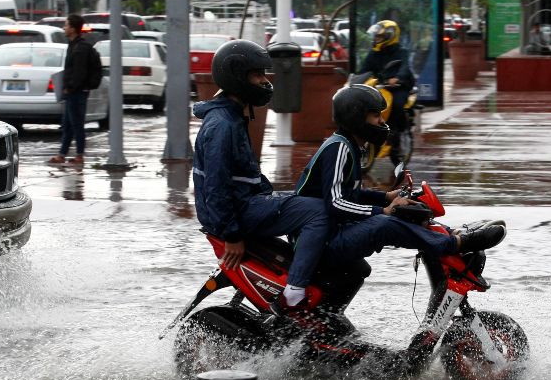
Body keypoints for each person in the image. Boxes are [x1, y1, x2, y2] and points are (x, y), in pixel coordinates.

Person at [295, 84, 506, 267]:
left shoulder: (351, 146)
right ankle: (455, 244)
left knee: (360, 268)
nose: (381, 121)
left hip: (332, 230)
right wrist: (384, 210)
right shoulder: (339, 148)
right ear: (357, 117)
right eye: (376, 115)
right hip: (318, 240)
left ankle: (452, 233)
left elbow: (350, 194)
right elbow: (336, 204)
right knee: (386, 224)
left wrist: (386, 197)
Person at [192, 39, 330, 318]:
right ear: (236, 77)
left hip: (245, 205)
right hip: (237, 213)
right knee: (319, 212)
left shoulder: (232, 117)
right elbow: (215, 187)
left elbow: (246, 176)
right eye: (257, 75)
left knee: (307, 200)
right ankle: (295, 292)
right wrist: (231, 235)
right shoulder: (222, 125)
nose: (265, 81)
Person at [357, 20, 415, 166]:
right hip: (379, 86)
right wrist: (354, 79)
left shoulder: (401, 52)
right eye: (375, 36)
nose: (376, 39)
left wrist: (398, 78)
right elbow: (364, 70)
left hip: (399, 87)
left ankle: (396, 135)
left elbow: (405, 68)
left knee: (396, 105)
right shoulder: (374, 53)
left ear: (390, 36)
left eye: (379, 36)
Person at [49, 14, 95, 164]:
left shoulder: (80, 48)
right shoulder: (73, 45)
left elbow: (79, 72)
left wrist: (70, 87)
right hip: (72, 92)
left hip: (77, 92)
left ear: (73, 29)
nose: (64, 28)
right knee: (68, 124)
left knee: (76, 124)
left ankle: (80, 155)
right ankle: (62, 154)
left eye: (66, 25)